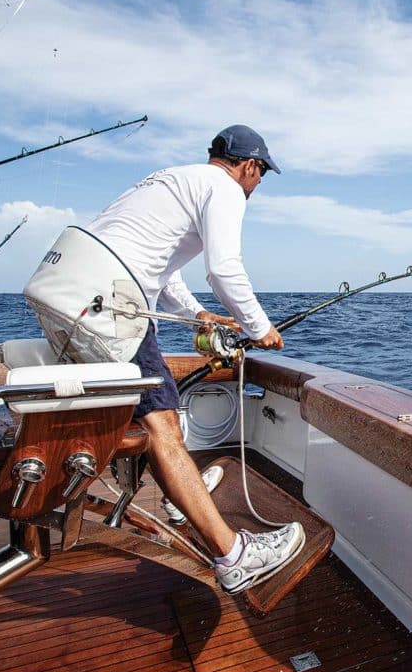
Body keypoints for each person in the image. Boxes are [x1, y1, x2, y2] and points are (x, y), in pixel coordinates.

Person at [27, 125, 304, 595]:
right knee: (162, 426)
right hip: (111, 307)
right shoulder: (225, 188)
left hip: (70, 299)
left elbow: (160, 269)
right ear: (250, 165)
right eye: (260, 176)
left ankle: (182, 499)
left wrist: (196, 315)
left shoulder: (172, 180)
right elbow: (224, 269)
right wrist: (260, 328)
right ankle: (233, 555)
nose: (256, 186)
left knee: (156, 417)